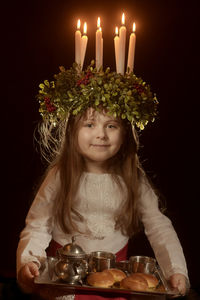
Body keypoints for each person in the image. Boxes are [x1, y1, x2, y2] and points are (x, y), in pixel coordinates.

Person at [16, 64, 189, 299]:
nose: (101, 134)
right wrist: (29, 261)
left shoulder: (134, 178)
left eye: (111, 125)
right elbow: (38, 225)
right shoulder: (60, 174)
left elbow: (159, 227)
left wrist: (176, 271)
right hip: (65, 281)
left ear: (125, 132)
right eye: (90, 124)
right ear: (72, 130)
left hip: (113, 282)